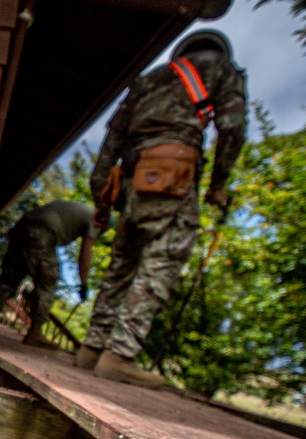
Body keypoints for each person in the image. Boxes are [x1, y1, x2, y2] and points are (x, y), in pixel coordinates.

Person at [75, 28, 247, 387]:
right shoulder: (222, 70)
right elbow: (232, 127)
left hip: (132, 180)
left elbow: (111, 143)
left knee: (123, 263)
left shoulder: (148, 81)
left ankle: (91, 348)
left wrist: (101, 198)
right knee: (163, 258)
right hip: (175, 176)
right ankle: (119, 354)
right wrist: (217, 186)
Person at [0, 200, 104, 348]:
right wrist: (83, 284)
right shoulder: (98, 219)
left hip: (23, 226)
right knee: (48, 280)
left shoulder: (82, 210)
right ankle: (35, 332)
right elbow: (85, 255)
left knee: (11, 276)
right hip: (42, 232)